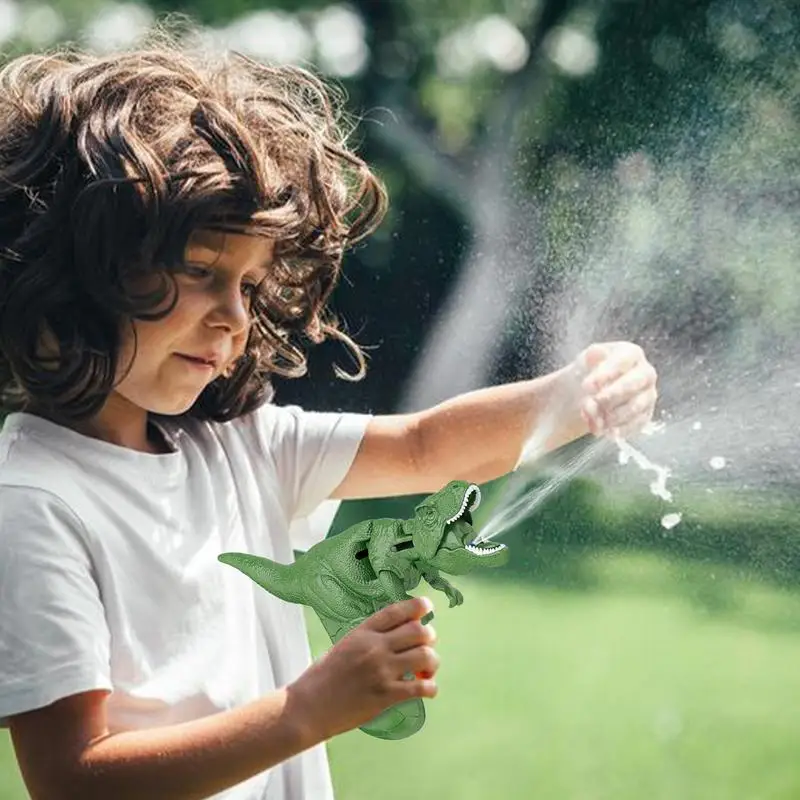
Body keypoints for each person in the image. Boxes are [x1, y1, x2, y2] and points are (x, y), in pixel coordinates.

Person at [0, 39, 658, 800]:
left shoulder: (239, 447)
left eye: (249, 284)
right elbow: (71, 779)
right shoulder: (36, 505)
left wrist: (574, 394)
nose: (235, 317)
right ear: (77, 268)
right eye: (203, 272)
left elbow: (423, 448)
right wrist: (307, 710)